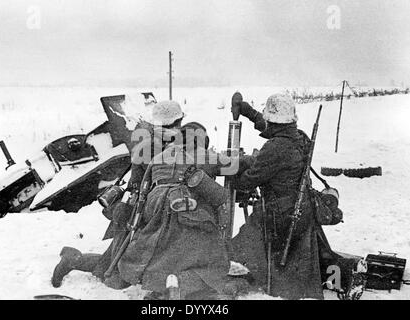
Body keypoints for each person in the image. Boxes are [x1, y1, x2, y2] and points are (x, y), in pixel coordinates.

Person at [51, 100, 185, 288]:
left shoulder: (169, 142)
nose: (176, 129)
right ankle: (72, 259)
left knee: (124, 265)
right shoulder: (150, 147)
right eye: (173, 125)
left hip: (155, 209)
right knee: (115, 274)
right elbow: (143, 181)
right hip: (139, 211)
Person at [230, 93, 348, 299]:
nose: (266, 122)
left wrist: (239, 167)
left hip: (279, 215)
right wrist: (249, 113)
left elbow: (248, 181)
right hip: (301, 208)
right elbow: (269, 129)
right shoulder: (298, 136)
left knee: (239, 247)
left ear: (274, 121)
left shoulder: (275, 147)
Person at [116, 122, 244, 300]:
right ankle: (185, 284)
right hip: (184, 210)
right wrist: (246, 157)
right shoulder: (203, 155)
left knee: (158, 247)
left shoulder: (159, 156)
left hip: (155, 207)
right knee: (212, 256)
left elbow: (144, 187)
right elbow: (234, 166)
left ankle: (161, 284)